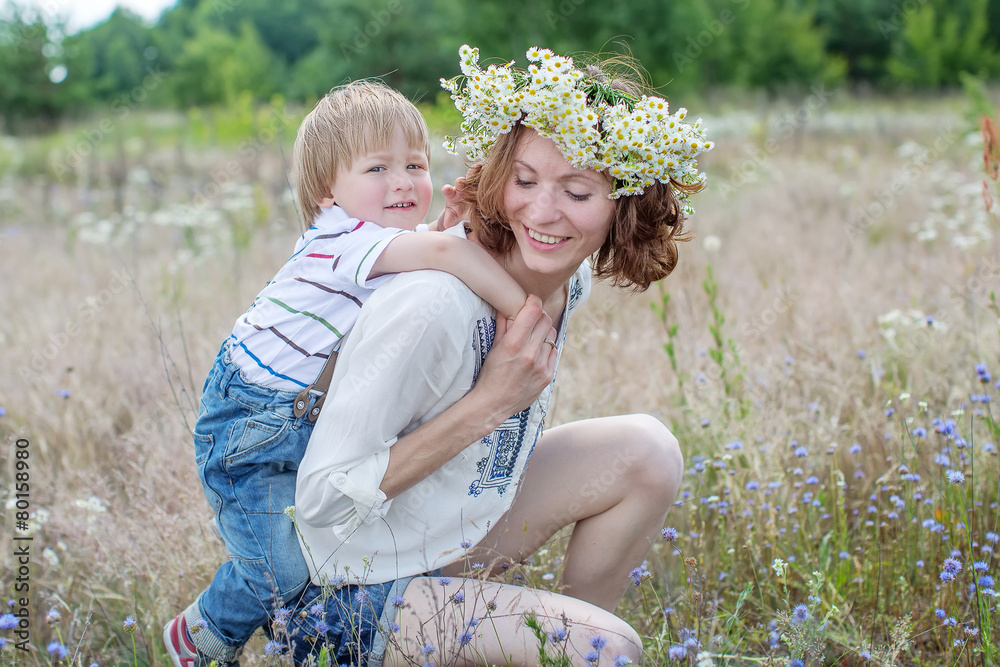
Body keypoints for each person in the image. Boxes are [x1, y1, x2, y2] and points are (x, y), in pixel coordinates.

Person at [285, 45, 713, 666]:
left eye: (578, 189)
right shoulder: (433, 303)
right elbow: (322, 504)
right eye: (525, 180)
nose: (542, 213)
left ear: (622, 203)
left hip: (439, 533)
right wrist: (490, 404)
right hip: (341, 588)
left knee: (647, 452)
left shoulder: (567, 277)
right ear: (497, 176)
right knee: (609, 650)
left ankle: (566, 631)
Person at [163, 80, 529, 667]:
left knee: (316, 551)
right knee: (283, 568)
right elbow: (445, 259)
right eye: (378, 168)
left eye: (415, 163)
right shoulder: (340, 239)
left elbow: (427, 256)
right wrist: (524, 314)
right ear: (326, 191)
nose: (404, 181)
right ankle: (203, 633)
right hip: (250, 424)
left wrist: (448, 225)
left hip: (300, 415)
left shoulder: (379, 240)